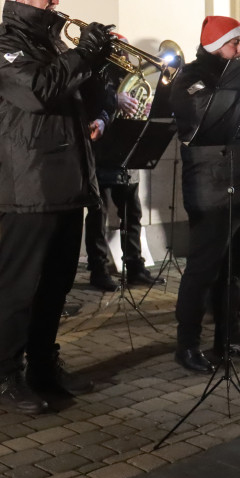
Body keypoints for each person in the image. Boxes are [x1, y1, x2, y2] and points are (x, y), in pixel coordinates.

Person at [0, 0, 112, 414]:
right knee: (20, 286)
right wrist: (83, 54)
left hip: (67, 177)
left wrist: (101, 68)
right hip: (29, 181)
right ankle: (5, 376)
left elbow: (83, 93)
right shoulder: (3, 45)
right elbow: (37, 91)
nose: (57, 0)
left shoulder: (54, 42)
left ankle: (42, 365)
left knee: (56, 282)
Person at [169, 16, 240, 374]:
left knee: (234, 271)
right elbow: (205, 120)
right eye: (236, 43)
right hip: (213, 188)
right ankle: (187, 345)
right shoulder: (190, 79)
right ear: (216, 45)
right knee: (202, 271)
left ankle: (230, 338)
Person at [83, 41, 157, 292]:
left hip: (126, 152)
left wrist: (142, 108)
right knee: (97, 215)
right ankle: (98, 269)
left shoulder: (129, 75)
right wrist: (115, 98)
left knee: (132, 214)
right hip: (100, 152)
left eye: (125, 51)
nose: (124, 55)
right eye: (119, 50)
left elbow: (138, 105)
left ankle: (135, 266)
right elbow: (86, 100)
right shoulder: (94, 72)